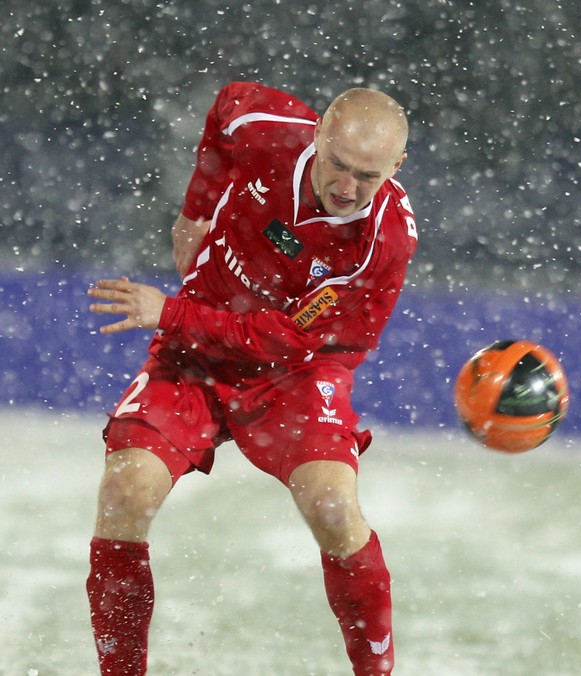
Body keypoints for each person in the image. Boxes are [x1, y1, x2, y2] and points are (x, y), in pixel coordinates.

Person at [86, 81, 417, 675]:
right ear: (316, 137)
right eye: (336, 165)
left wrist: (168, 311)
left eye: (367, 176)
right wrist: (195, 211)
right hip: (195, 352)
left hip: (296, 370)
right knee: (124, 492)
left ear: (397, 165)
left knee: (335, 510)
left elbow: (287, 337)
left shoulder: (383, 241)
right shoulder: (268, 129)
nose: (346, 188)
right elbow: (224, 105)